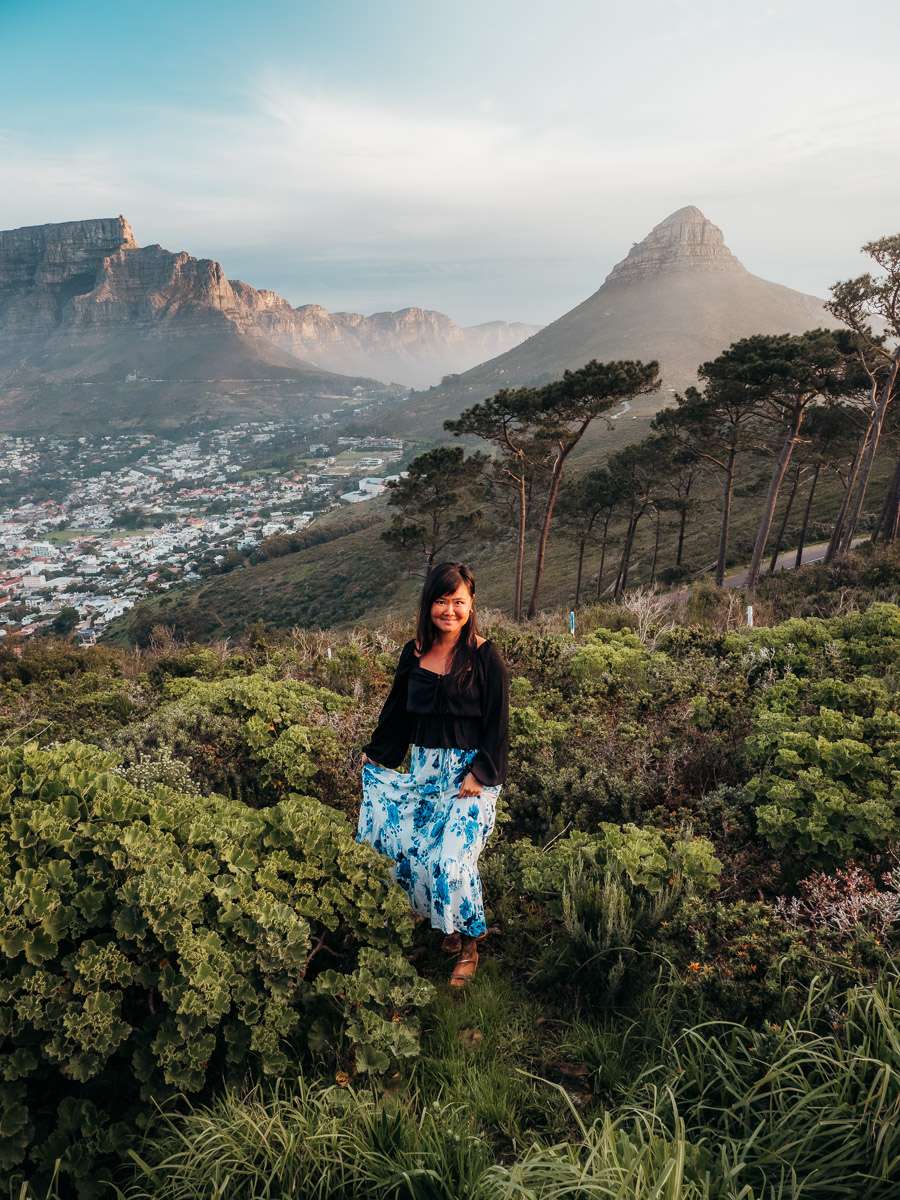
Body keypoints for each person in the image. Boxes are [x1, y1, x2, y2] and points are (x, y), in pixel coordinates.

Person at [357, 561, 509, 988]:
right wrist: (377, 755)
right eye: (441, 601)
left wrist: (481, 774)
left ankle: (469, 943)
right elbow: (398, 714)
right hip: (424, 771)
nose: (449, 610)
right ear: (428, 604)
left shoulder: (485, 656)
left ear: (471, 603)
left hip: (468, 778)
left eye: (458, 601)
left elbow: (498, 725)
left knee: (451, 862)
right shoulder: (415, 652)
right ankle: (445, 925)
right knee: (406, 850)